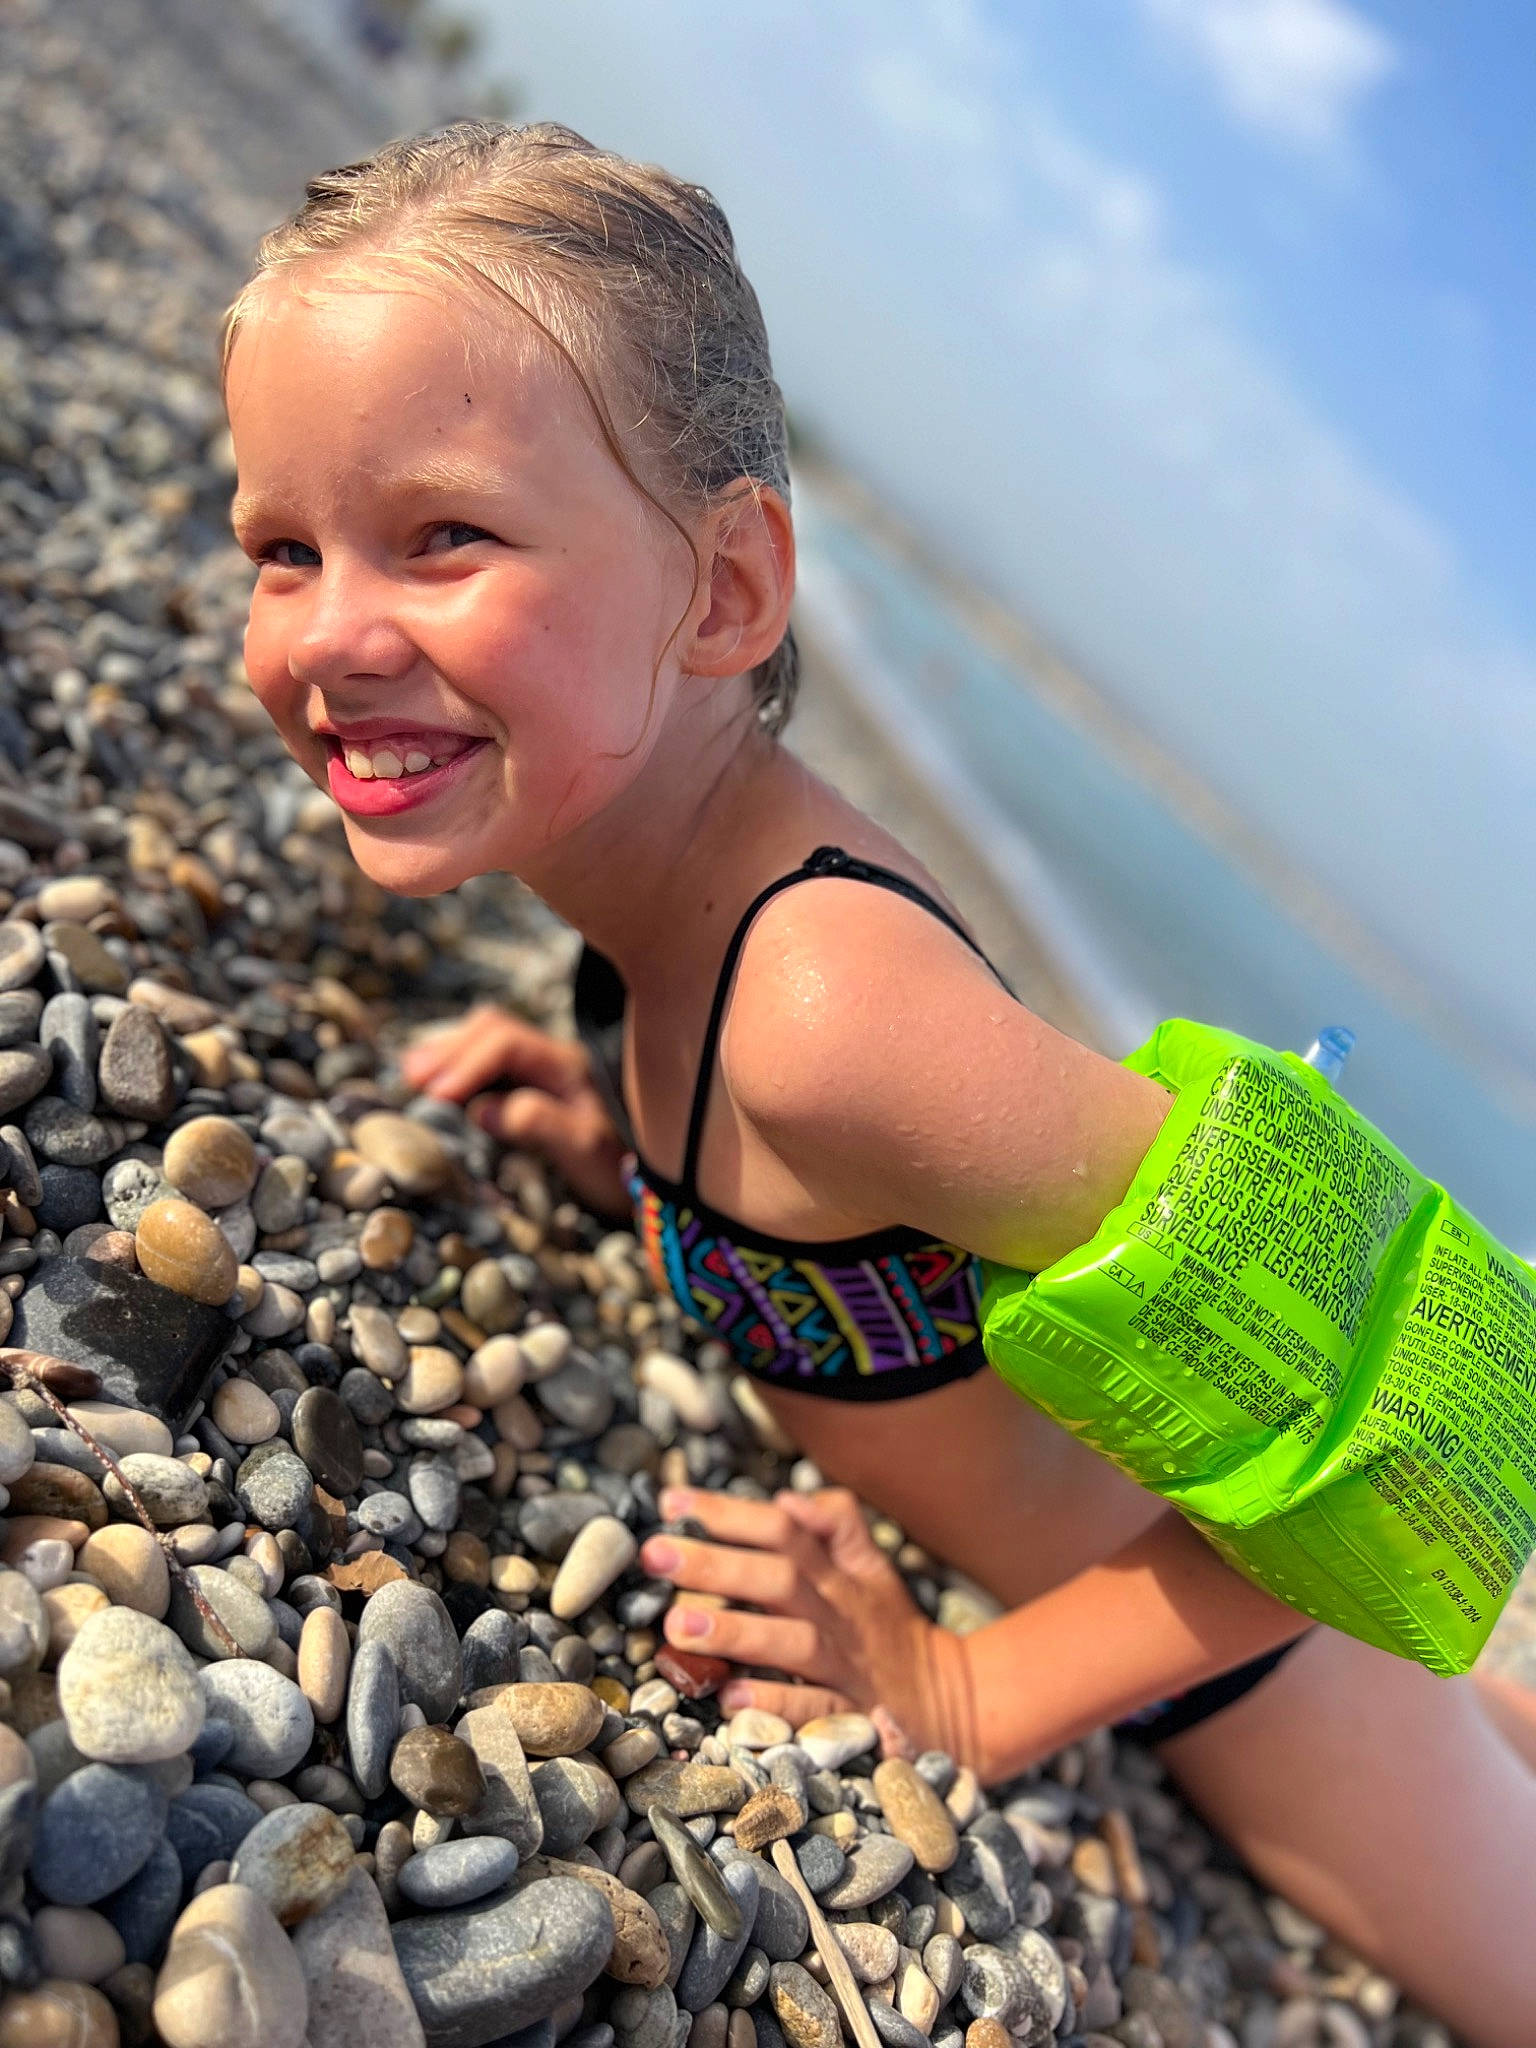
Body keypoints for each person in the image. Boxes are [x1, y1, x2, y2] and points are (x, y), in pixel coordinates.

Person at [222, 119, 1536, 2043]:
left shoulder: (829, 1015)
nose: (332, 632)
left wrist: (968, 1693)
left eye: (445, 539)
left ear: (724, 591)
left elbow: (1430, 1432)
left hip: (1243, 1660)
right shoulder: (655, 881)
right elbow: (875, 1239)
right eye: (283, 547)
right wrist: (635, 1158)